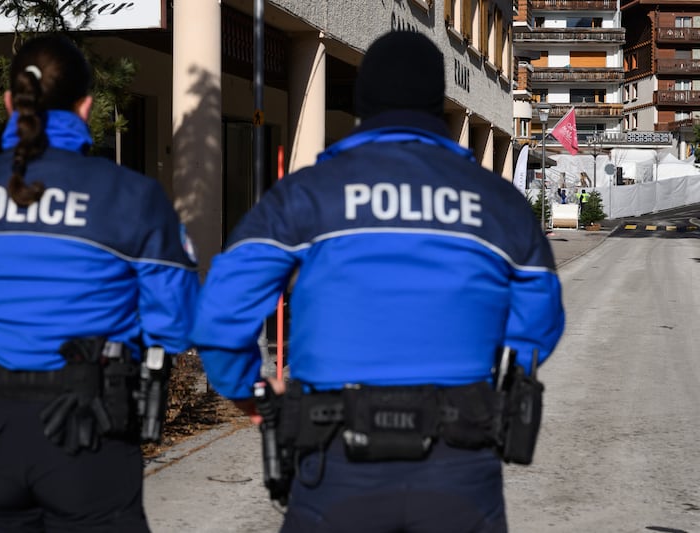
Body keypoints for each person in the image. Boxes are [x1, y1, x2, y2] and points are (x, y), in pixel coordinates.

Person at [191, 31, 564, 533]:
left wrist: (254, 395)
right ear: (439, 105)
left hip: (333, 459)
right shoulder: (497, 202)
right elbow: (539, 324)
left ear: (362, 102)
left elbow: (220, 315)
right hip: (459, 465)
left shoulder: (305, 195)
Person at [0, 35, 199, 532]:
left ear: (9, 102)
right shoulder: (132, 195)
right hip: (90, 435)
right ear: (86, 106)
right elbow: (174, 325)